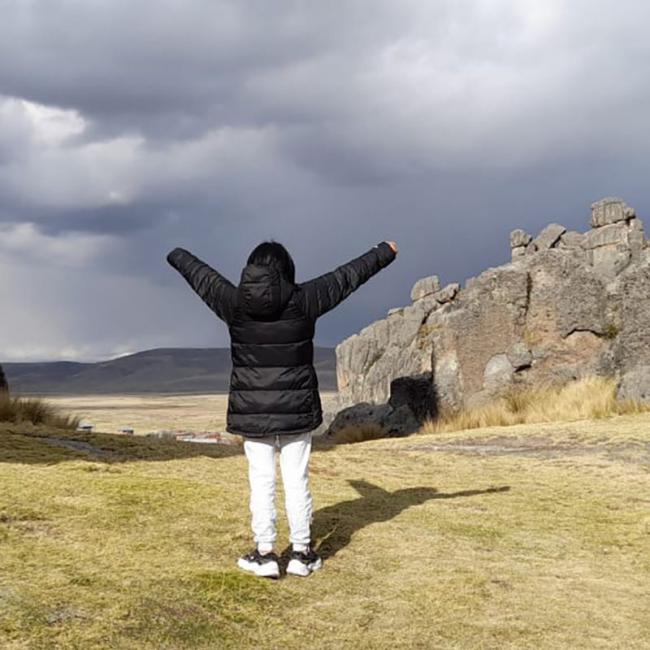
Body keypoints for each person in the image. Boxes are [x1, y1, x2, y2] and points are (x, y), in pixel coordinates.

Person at [167, 238, 398, 578]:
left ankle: (264, 554)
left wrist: (176, 254)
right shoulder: (304, 300)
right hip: (296, 411)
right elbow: (347, 276)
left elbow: (201, 276)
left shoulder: (233, 303)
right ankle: (301, 554)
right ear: (288, 269)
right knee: (296, 480)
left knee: (261, 482)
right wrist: (384, 252)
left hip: (253, 413)